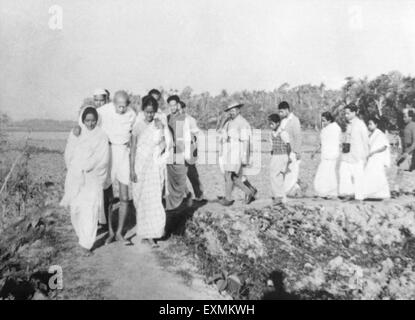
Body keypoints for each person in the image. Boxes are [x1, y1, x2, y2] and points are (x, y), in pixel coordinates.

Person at [60, 107, 110, 255]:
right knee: (76, 209)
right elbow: (69, 152)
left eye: (93, 120)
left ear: (97, 120)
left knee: (90, 209)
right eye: (87, 120)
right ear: (83, 120)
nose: (90, 123)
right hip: (76, 177)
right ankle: (82, 236)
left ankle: (86, 244)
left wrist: (89, 166)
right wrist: (75, 168)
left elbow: (103, 157)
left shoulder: (101, 135)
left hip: (92, 177)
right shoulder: (76, 132)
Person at [98, 90, 137, 244]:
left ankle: (120, 232)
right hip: (108, 152)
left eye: (124, 106)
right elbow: (87, 119)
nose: (121, 109)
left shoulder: (132, 114)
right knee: (107, 195)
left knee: (124, 197)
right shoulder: (103, 111)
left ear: (127, 104)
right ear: (113, 103)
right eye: (118, 106)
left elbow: (137, 131)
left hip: (123, 153)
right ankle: (110, 232)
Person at [130, 97, 168, 247]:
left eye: (152, 112)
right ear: (142, 111)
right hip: (140, 166)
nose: (149, 115)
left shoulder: (158, 125)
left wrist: (161, 133)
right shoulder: (138, 127)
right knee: (140, 200)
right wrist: (132, 169)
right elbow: (132, 149)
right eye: (147, 112)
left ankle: (152, 235)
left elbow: (164, 143)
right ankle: (144, 233)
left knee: (154, 199)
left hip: (153, 166)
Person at [73, 89, 112, 226]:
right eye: (96, 100)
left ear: (107, 99)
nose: (99, 102)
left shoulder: (110, 113)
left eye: (102, 100)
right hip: (91, 157)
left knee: (106, 186)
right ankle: (92, 219)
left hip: (106, 152)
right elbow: (80, 131)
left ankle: (106, 219)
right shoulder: (89, 113)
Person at [218, 102, 256, 206]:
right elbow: (221, 133)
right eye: (230, 111)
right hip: (229, 150)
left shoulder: (242, 122)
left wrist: (244, 155)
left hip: (237, 150)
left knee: (230, 175)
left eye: (233, 110)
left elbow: (245, 140)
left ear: (239, 110)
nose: (231, 113)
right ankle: (249, 192)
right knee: (230, 175)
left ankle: (229, 198)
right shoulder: (229, 122)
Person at [164, 95, 191, 211]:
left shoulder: (183, 118)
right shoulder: (167, 118)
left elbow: (187, 136)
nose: (172, 107)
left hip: (180, 151)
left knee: (180, 177)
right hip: (170, 151)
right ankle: (172, 203)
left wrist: (187, 154)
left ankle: (181, 201)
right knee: (171, 178)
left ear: (178, 105)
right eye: (170, 105)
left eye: (174, 105)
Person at [338, 103, 369, 201]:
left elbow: (365, 141)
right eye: (345, 114)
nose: (346, 116)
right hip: (347, 154)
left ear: (354, 113)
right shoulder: (348, 125)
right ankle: (349, 194)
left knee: (358, 176)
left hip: (357, 155)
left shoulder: (360, 124)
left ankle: (359, 198)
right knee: (344, 173)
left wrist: (365, 156)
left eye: (348, 113)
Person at [179, 100, 206, 203]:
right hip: (178, 149)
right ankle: (187, 194)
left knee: (192, 174)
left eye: (179, 108)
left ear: (183, 108)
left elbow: (196, 134)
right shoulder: (173, 119)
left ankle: (199, 194)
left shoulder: (190, 120)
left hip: (189, 149)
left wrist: (193, 149)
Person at [312, 112, 341, 198]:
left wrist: (334, 152)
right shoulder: (324, 130)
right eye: (322, 121)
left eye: (324, 121)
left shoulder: (335, 128)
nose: (323, 123)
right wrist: (315, 151)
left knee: (329, 173)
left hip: (332, 155)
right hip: (325, 154)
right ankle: (325, 192)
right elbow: (322, 143)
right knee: (323, 173)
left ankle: (331, 193)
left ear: (329, 120)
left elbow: (337, 142)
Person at [362, 117, 391, 199]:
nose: (369, 126)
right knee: (369, 174)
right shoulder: (370, 135)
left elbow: (385, 146)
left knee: (377, 175)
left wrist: (374, 152)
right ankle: (370, 194)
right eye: (368, 124)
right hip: (371, 157)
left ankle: (380, 194)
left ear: (376, 125)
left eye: (371, 124)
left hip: (377, 158)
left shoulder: (380, 134)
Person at [278, 101, 302, 197]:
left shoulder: (295, 120)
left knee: (291, 173)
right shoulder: (283, 121)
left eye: (281, 112)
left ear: (287, 110)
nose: (280, 114)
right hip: (284, 151)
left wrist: (297, 152)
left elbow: (298, 137)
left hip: (292, 151)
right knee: (286, 173)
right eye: (279, 112)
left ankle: (292, 191)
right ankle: (296, 190)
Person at [268, 114, 291, 205]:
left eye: (272, 123)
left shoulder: (283, 133)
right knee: (279, 177)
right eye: (269, 124)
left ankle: (278, 196)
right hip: (275, 156)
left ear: (278, 123)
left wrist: (288, 158)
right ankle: (283, 197)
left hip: (282, 156)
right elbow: (272, 147)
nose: (270, 125)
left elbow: (288, 145)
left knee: (274, 176)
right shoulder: (271, 133)